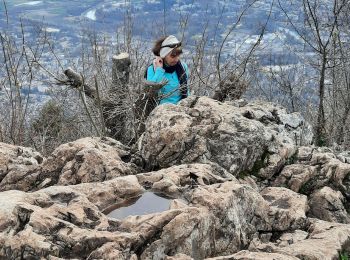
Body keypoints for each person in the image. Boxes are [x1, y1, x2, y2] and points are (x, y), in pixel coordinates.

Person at [146, 35, 189, 105]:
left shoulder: (183, 67)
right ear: (163, 55)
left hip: (180, 109)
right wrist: (159, 70)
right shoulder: (152, 70)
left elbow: (186, 90)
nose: (177, 59)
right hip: (160, 111)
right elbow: (151, 93)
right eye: (173, 56)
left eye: (178, 55)